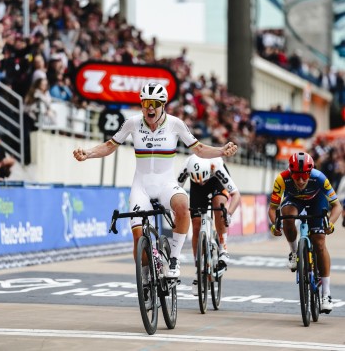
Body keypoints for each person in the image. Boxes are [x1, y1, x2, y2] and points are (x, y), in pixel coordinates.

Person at [73, 82, 238, 280]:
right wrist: (88, 153)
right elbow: (110, 145)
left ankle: (175, 260)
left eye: (155, 103)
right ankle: (144, 277)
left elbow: (199, 149)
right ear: (142, 104)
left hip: (166, 184)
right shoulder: (132, 123)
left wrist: (221, 150)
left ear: (163, 105)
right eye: (146, 103)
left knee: (183, 206)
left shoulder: (175, 124)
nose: (150, 108)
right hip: (141, 186)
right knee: (138, 238)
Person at [268, 152, 342, 313]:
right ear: (291, 173)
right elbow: (273, 209)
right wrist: (275, 224)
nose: (300, 181)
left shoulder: (320, 178)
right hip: (293, 200)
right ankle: (294, 253)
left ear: (310, 173)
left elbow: (337, 206)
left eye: (304, 177)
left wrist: (330, 224)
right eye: (296, 177)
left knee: (320, 241)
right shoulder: (282, 179)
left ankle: (326, 294)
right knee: (286, 216)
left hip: (317, 201)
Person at [177, 154, 241, 295]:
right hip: (198, 186)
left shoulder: (216, 165)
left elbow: (236, 195)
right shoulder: (187, 166)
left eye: (202, 181)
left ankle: (223, 248)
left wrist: (228, 214)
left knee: (219, 207)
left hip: (216, 181)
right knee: (196, 225)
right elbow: (175, 191)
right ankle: (198, 270)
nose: (201, 183)